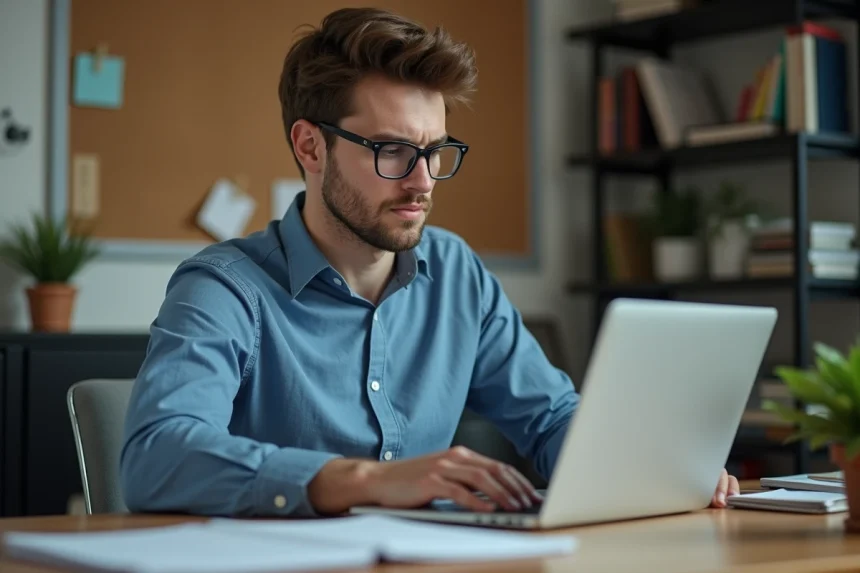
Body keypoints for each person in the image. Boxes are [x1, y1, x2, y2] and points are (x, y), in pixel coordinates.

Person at [119, 6, 739, 518]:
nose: (423, 182)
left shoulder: (457, 273)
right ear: (311, 146)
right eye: (392, 150)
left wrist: (653, 465)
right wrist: (364, 480)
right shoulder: (225, 288)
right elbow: (156, 457)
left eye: (435, 151)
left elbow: (550, 417)